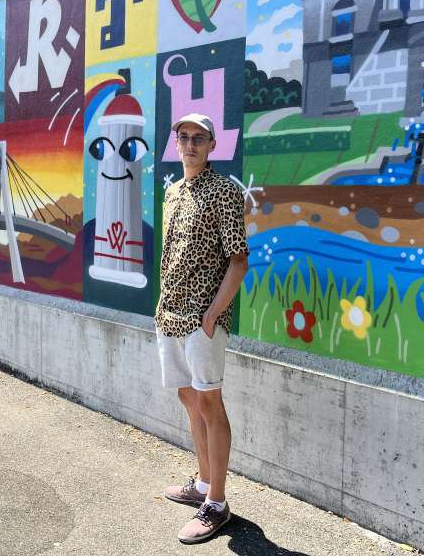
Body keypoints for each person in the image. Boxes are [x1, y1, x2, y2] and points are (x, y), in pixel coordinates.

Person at [155, 112, 249, 544]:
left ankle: (217, 503)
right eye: (184, 136)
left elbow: (238, 259)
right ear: (176, 143)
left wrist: (212, 315)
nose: (190, 144)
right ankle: (203, 485)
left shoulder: (225, 191)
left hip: (202, 322)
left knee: (211, 405)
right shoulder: (172, 192)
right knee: (189, 398)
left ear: (212, 145)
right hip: (169, 314)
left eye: (199, 138)